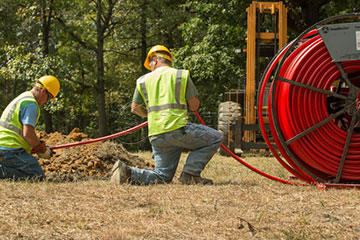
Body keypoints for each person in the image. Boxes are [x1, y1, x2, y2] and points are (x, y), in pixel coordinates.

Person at [111, 45, 223, 185]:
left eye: (150, 63)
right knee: (216, 137)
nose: (150, 67)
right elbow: (194, 105)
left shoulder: (142, 80)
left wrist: (149, 115)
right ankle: (190, 174)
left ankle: (128, 173)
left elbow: (135, 108)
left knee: (162, 176)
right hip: (178, 129)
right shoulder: (180, 75)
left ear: (155, 60)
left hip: (157, 135)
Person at [0, 75, 60, 180]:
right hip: (10, 150)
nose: (47, 102)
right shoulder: (31, 104)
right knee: (37, 176)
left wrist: (38, 146)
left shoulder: (24, 96)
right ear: (43, 91)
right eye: (49, 98)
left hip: (5, 147)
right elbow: (28, 134)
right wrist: (40, 148)